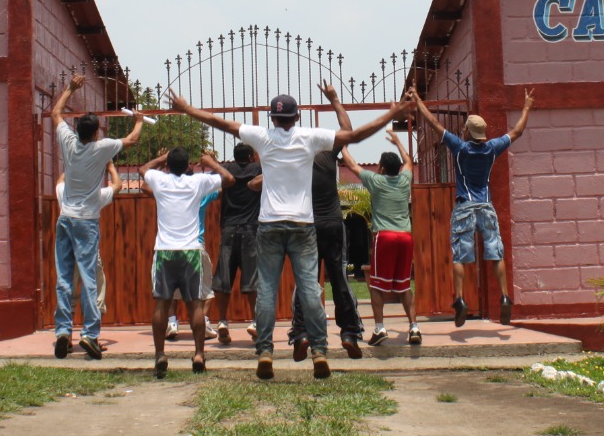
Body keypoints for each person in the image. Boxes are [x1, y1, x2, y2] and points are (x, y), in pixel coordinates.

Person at [170, 88, 406, 381]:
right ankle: (319, 350)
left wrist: (187, 108)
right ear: (296, 117)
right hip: (302, 225)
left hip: (269, 224)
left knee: (267, 289)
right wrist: (392, 115)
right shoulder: (310, 138)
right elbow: (353, 135)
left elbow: (223, 124)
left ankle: (266, 352)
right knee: (310, 288)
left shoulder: (263, 138)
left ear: (272, 117)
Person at [410, 87, 533, 326]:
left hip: (465, 206)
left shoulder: (460, 148)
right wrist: (527, 106)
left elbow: (434, 123)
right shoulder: (491, 149)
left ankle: (460, 299)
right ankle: (505, 296)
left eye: (465, 127)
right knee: (496, 252)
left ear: (467, 131)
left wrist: (418, 101)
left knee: (460, 256)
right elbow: (517, 132)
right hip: (486, 206)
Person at [51, 74, 145, 359]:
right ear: (95, 134)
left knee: (64, 277)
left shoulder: (68, 142)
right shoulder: (102, 148)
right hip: (87, 221)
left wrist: (70, 89)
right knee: (89, 277)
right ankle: (90, 334)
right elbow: (131, 139)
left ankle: (63, 331)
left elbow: (55, 113)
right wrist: (139, 119)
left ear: (77, 129)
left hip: (65, 218)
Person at [288, 83, 365, 360]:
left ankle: (301, 333)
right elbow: (348, 130)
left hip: (304, 226)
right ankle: (349, 332)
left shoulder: (291, 158)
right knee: (339, 279)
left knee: (304, 282)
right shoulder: (327, 153)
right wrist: (334, 99)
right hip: (332, 224)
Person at [142, 147, 234, 378]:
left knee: (162, 304)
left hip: (164, 250)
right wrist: (211, 162)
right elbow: (229, 179)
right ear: (187, 166)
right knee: (195, 304)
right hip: (191, 249)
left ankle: (160, 354)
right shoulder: (199, 183)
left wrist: (161, 158)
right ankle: (199, 354)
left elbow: (144, 170)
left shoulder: (160, 181)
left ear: (169, 165)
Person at [341, 129, 419, 345]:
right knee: (404, 285)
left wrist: (343, 144)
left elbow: (351, 164)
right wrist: (397, 142)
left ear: (381, 168)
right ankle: (414, 328)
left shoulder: (375, 181)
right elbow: (409, 161)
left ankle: (379, 328)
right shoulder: (405, 180)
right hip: (405, 236)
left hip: (384, 237)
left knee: (377, 286)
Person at [210, 142, 263, 344]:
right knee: (252, 280)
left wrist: (212, 161)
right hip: (251, 229)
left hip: (229, 229)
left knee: (223, 278)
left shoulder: (228, 170)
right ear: (251, 156)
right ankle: (255, 322)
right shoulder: (258, 169)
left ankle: (223, 321)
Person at [55, 161, 121, 320]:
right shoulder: (94, 195)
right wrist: (110, 166)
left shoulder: (63, 192)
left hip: (69, 252)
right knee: (95, 289)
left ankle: (66, 334)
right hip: (89, 253)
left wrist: (74, 165)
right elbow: (118, 186)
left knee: (67, 288)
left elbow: (59, 182)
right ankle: (91, 335)